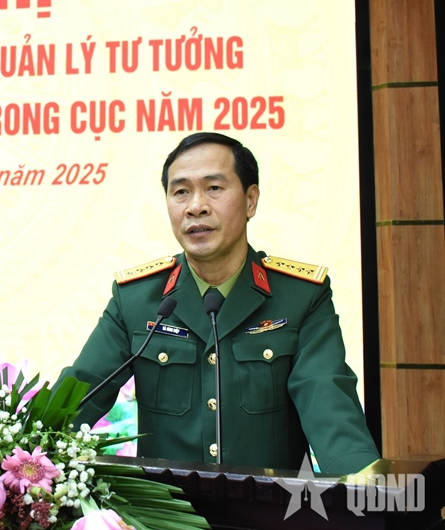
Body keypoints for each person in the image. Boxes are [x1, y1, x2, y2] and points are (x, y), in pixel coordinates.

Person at [60, 132, 380, 474]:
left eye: (214, 188)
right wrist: (22, 458)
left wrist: (367, 491)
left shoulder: (300, 298)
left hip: (269, 504)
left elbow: (329, 408)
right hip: (168, 505)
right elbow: (77, 397)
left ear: (251, 200)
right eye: (181, 192)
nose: (195, 206)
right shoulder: (137, 299)